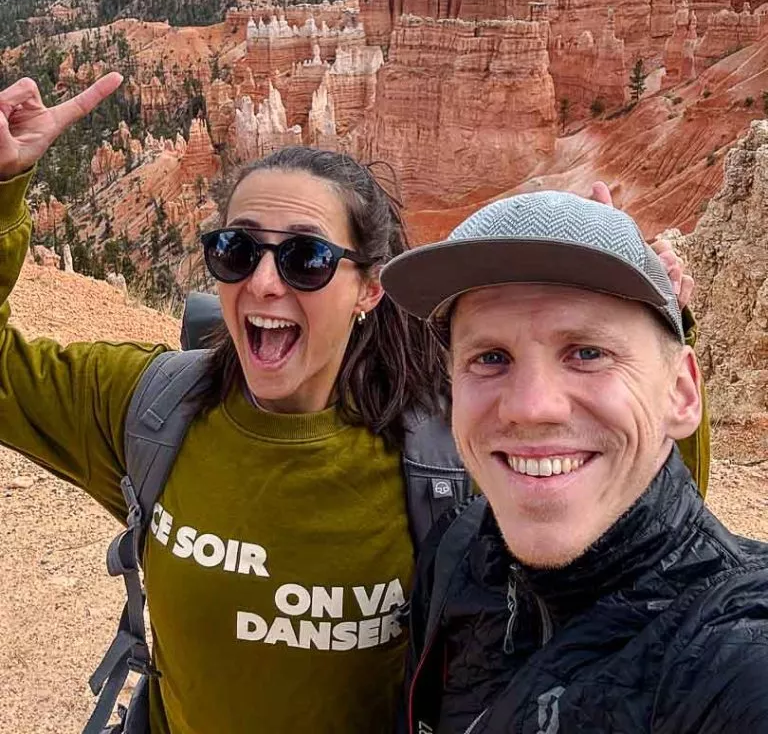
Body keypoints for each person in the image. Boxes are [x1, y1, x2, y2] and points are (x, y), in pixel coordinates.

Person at [0, 75, 703, 734]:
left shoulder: (455, 441)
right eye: (236, 252)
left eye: (305, 258)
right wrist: (6, 189)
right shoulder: (151, 408)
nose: (266, 282)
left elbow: (647, 526)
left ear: (369, 289)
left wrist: (655, 340)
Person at [381, 191, 768, 734]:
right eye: (490, 358)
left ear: (681, 393)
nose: (530, 407)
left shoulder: (737, 657)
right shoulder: (455, 551)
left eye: (588, 353)